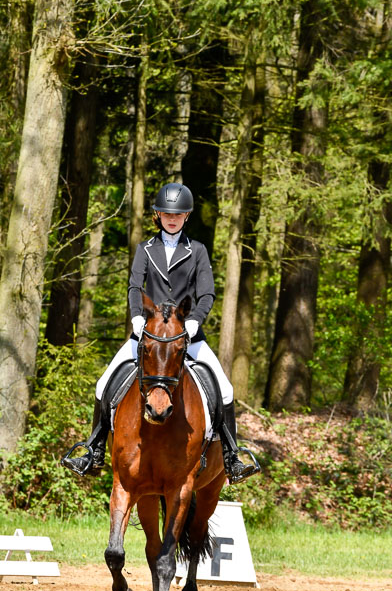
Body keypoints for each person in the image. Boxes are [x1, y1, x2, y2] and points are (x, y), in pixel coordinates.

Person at [63, 182, 254, 484]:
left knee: (226, 389)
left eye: (177, 214)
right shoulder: (145, 250)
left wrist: (194, 321)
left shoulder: (198, 251)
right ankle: (94, 450)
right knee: (103, 385)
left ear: (187, 216)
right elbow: (135, 287)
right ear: (158, 215)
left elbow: (206, 294)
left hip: (186, 336)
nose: (172, 218)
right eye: (166, 213)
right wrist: (137, 317)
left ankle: (232, 457)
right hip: (148, 336)